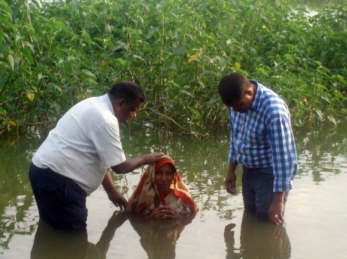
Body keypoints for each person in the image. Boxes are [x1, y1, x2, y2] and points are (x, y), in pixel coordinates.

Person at [29, 81, 164, 231]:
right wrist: (147, 158)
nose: (134, 115)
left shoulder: (93, 104)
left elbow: (100, 157)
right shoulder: (106, 119)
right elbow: (120, 167)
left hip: (41, 172)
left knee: (51, 229)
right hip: (60, 183)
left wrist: (111, 191)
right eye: (132, 109)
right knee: (74, 242)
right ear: (121, 103)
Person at [218, 72, 297, 225]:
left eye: (239, 105)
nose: (235, 110)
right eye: (232, 107)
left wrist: (278, 200)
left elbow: (285, 159)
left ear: (249, 92)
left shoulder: (274, 111)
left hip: (270, 175)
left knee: (268, 222)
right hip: (248, 171)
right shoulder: (236, 105)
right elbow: (236, 137)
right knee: (251, 217)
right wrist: (231, 171)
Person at [127, 156, 198, 219]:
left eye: (168, 174)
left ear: (173, 176)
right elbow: (132, 218)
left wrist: (177, 218)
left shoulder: (183, 198)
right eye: (159, 173)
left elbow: (192, 216)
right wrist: (151, 218)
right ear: (152, 175)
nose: (164, 178)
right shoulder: (143, 197)